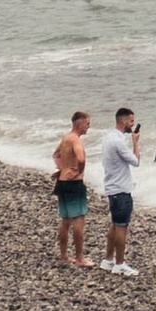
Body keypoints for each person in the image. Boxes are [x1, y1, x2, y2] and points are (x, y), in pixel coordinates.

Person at [97, 107, 142, 274]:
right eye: (131, 121)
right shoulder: (119, 142)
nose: (133, 124)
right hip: (121, 189)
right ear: (123, 122)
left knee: (115, 225)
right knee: (122, 226)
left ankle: (108, 259)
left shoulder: (109, 138)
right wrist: (135, 142)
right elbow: (136, 161)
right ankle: (120, 264)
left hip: (112, 187)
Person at [52, 111, 93, 267]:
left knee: (65, 219)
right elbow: (81, 158)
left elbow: (55, 155)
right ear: (79, 124)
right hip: (74, 183)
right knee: (79, 219)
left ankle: (63, 254)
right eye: (87, 124)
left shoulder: (66, 138)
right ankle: (80, 258)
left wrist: (63, 169)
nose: (88, 127)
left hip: (62, 181)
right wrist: (77, 170)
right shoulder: (76, 140)